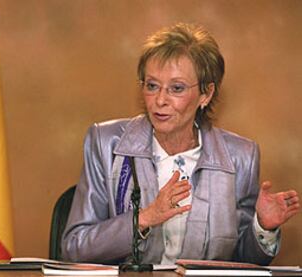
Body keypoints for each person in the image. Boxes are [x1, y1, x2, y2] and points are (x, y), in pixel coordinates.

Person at [61, 23, 300, 266]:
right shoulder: (106, 144)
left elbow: (244, 260)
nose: (160, 100)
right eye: (152, 86)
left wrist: (263, 227)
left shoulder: (241, 156)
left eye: (176, 88)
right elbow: (75, 247)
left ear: (205, 94)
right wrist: (144, 218)